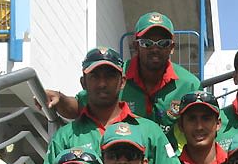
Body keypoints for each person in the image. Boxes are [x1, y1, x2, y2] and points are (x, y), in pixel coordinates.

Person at [38, 47, 184, 164]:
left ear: (122, 82)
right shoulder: (65, 136)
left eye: (109, 76)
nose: (102, 83)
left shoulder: (149, 131)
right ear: (83, 82)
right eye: (95, 76)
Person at [44, 12, 201, 137]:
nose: (155, 49)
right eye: (146, 43)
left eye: (163, 43)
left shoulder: (189, 84)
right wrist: (59, 99)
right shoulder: (114, 75)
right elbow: (79, 106)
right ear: (135, 46)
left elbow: (201, 127)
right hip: (123, 161)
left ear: (172, 47)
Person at [177, 91, 229, 164]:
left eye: (206, 119)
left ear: (218, 124)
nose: (199, 127)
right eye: (192, 119)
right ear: (181, 125)